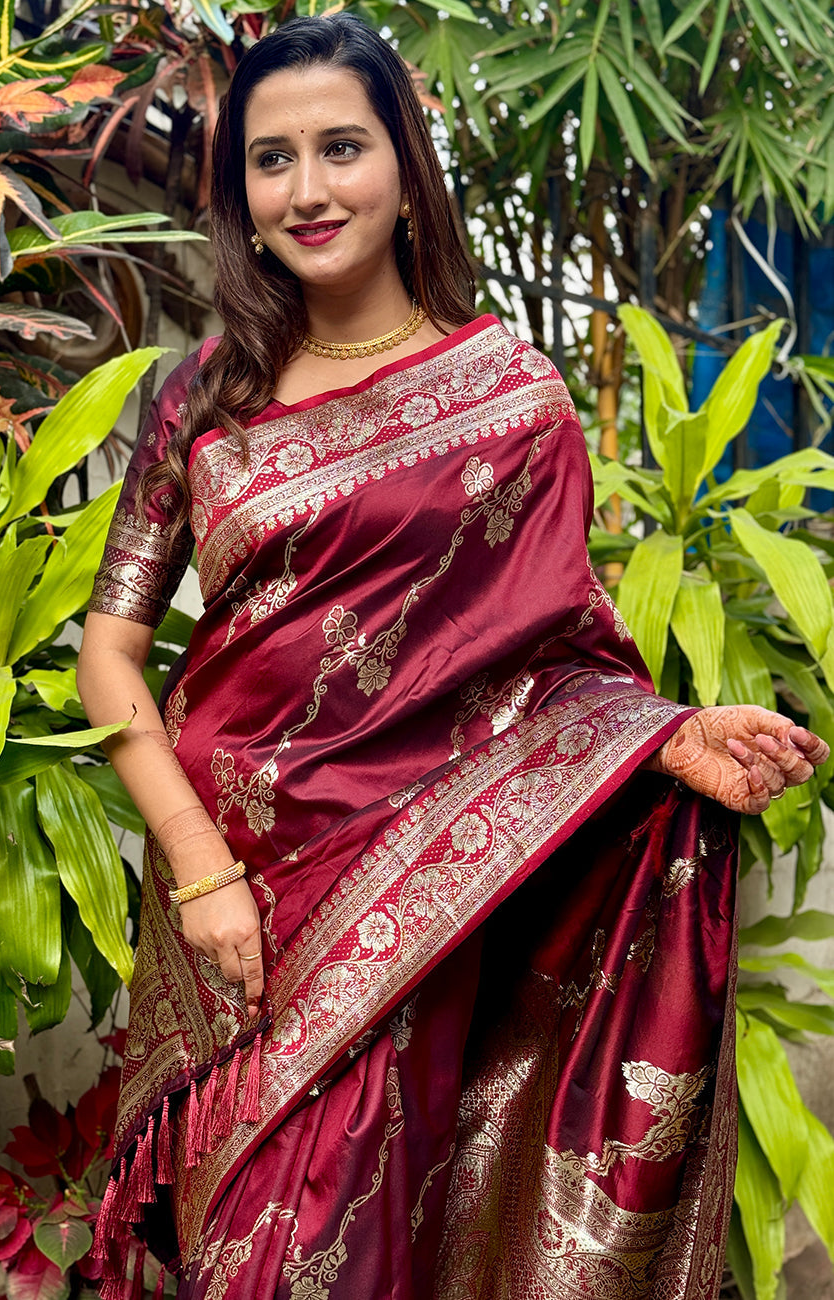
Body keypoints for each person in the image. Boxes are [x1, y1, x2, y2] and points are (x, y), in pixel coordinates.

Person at [77, 15, 828, 1299]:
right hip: (234, 902)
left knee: (356, 1248)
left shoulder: (512, 398)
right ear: (239, 192)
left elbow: (548, 659)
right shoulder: (206, 394)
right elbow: (112, 650)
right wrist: (199, 864)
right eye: (271, 160)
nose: (307, 190)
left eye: (341, 148)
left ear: (404, 163)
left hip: (415, 907)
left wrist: (666, 739)